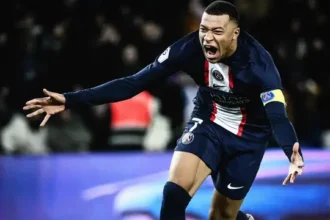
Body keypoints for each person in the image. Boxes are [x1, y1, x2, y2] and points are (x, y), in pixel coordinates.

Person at [23, 1, 304, 220]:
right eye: (204, 29)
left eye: (217, 32)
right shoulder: (187, 49)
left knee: (221, 216)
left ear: (235, 34)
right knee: (173, 194)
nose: (207, 39)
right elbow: (134, 83)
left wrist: (290, 148)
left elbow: (277, 114)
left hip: (248, 137)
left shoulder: (259, 65)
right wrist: (70, 100)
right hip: (208, 121)